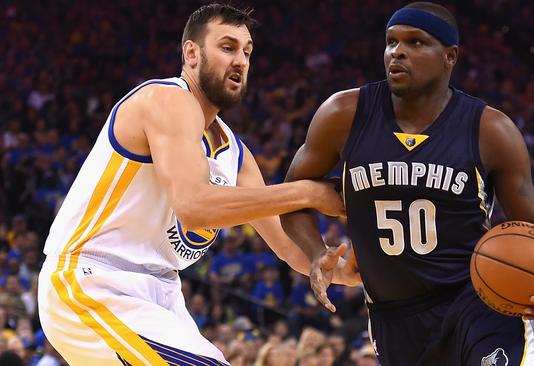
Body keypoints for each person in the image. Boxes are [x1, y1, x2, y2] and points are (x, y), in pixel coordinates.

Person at [37, 3, 358, 365]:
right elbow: (194, 207)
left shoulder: (234, 152)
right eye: (227, 47)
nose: (241, 60)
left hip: (162, 291)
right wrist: (309, 192)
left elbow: (285, 245)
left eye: (247, 52)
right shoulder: (166, 99)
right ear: (192, 52)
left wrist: (330, 263)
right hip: (93, 277)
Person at [280, 2, 534, 365]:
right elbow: (291, 197)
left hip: (477, 304)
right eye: (391, 42)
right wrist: (316, 252)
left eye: (416, 42)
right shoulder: (342, 114)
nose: (398, 52)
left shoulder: (491, 130)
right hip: (393, 318)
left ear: (449, 57)